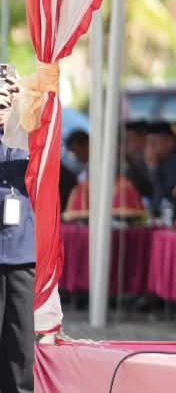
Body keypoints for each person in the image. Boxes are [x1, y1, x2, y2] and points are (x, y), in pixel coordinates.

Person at [0, 65, 35, 393]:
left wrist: (22, 111)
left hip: (21, 244)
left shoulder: (29, 132)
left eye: (8, 94)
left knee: (20, 336)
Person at [144, 120, 176, 219]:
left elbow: (163, 198)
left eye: (154, 143)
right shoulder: (162, 161)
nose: (149, 148)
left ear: (170, 142)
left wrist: (153, 168)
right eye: (148, 143)